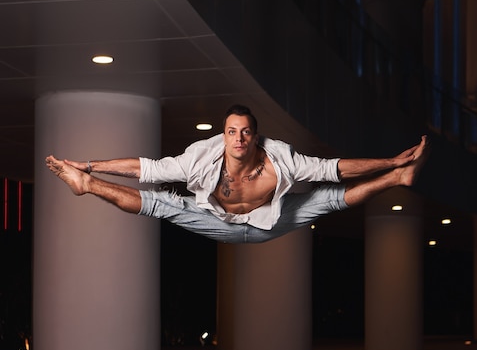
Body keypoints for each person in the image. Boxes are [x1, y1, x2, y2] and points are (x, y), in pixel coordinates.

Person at [45, 104, 430, 244]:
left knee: (328, 198)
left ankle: (398, 179)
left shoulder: (283, 159)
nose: (239, 138)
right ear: (224, 134)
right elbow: (146, 168)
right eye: (232, 132)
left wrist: (391, 162)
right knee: (159, 203)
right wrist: (90, 165)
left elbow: (335, 169)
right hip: (218, 222)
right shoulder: (201, 157)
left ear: (255, 135)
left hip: (270, 223)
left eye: (246, 131)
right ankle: (88, 185)